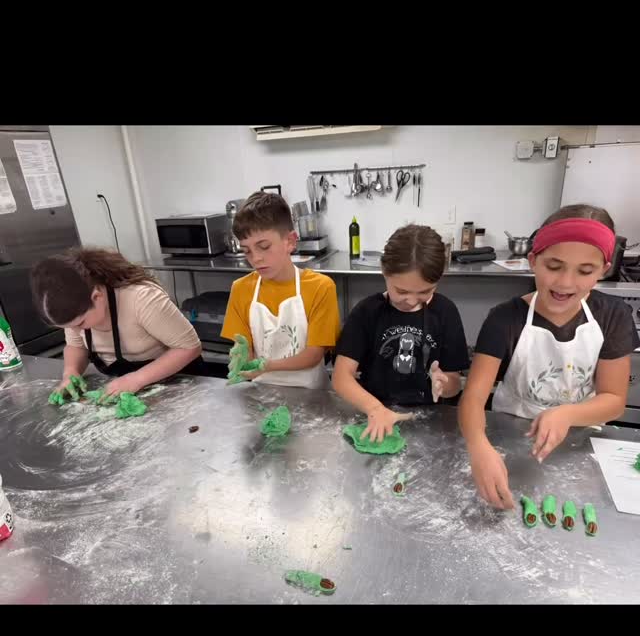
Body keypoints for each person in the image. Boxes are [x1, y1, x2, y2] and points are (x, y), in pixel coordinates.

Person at [458, 204, 639, 510]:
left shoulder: (613, 316)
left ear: (603, 269)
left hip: (578, 438)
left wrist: (567, 414)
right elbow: (472, 399)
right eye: (554, 266)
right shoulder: (504, 319)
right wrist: (478, 447)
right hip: (509, 435)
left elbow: (612, 398)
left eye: (585, 271)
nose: (566, 283)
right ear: (533, 260)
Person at [332, 224, 469, 442]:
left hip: (428, 421)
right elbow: (341, 377)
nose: (412, 301)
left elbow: (455, 382)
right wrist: (375, 408)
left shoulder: (445, 312)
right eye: (402, 291)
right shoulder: (367, 312)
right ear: (384, 272)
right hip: (375, 415)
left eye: (425, 292)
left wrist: (444, 384)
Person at [31, 247, 203, 397]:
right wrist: (71, 373)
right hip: (125, 386)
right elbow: (76, 346)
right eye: (67, 328)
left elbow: (189, 347)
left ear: (97, 297)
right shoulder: (75, 311)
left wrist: (137, 379)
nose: (75, 330)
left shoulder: (141, 298)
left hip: (178, 384)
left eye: (80, 324)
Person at [220, 192, 341, 388]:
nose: (255, 258)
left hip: (311, 395)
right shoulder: (241, 289)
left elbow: (314, 354)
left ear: (290, 241)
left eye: (264, 246)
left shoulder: (320, 287)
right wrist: (241, 357)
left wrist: (266, 365)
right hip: (262, 392)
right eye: (247, 250)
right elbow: (245, 349)